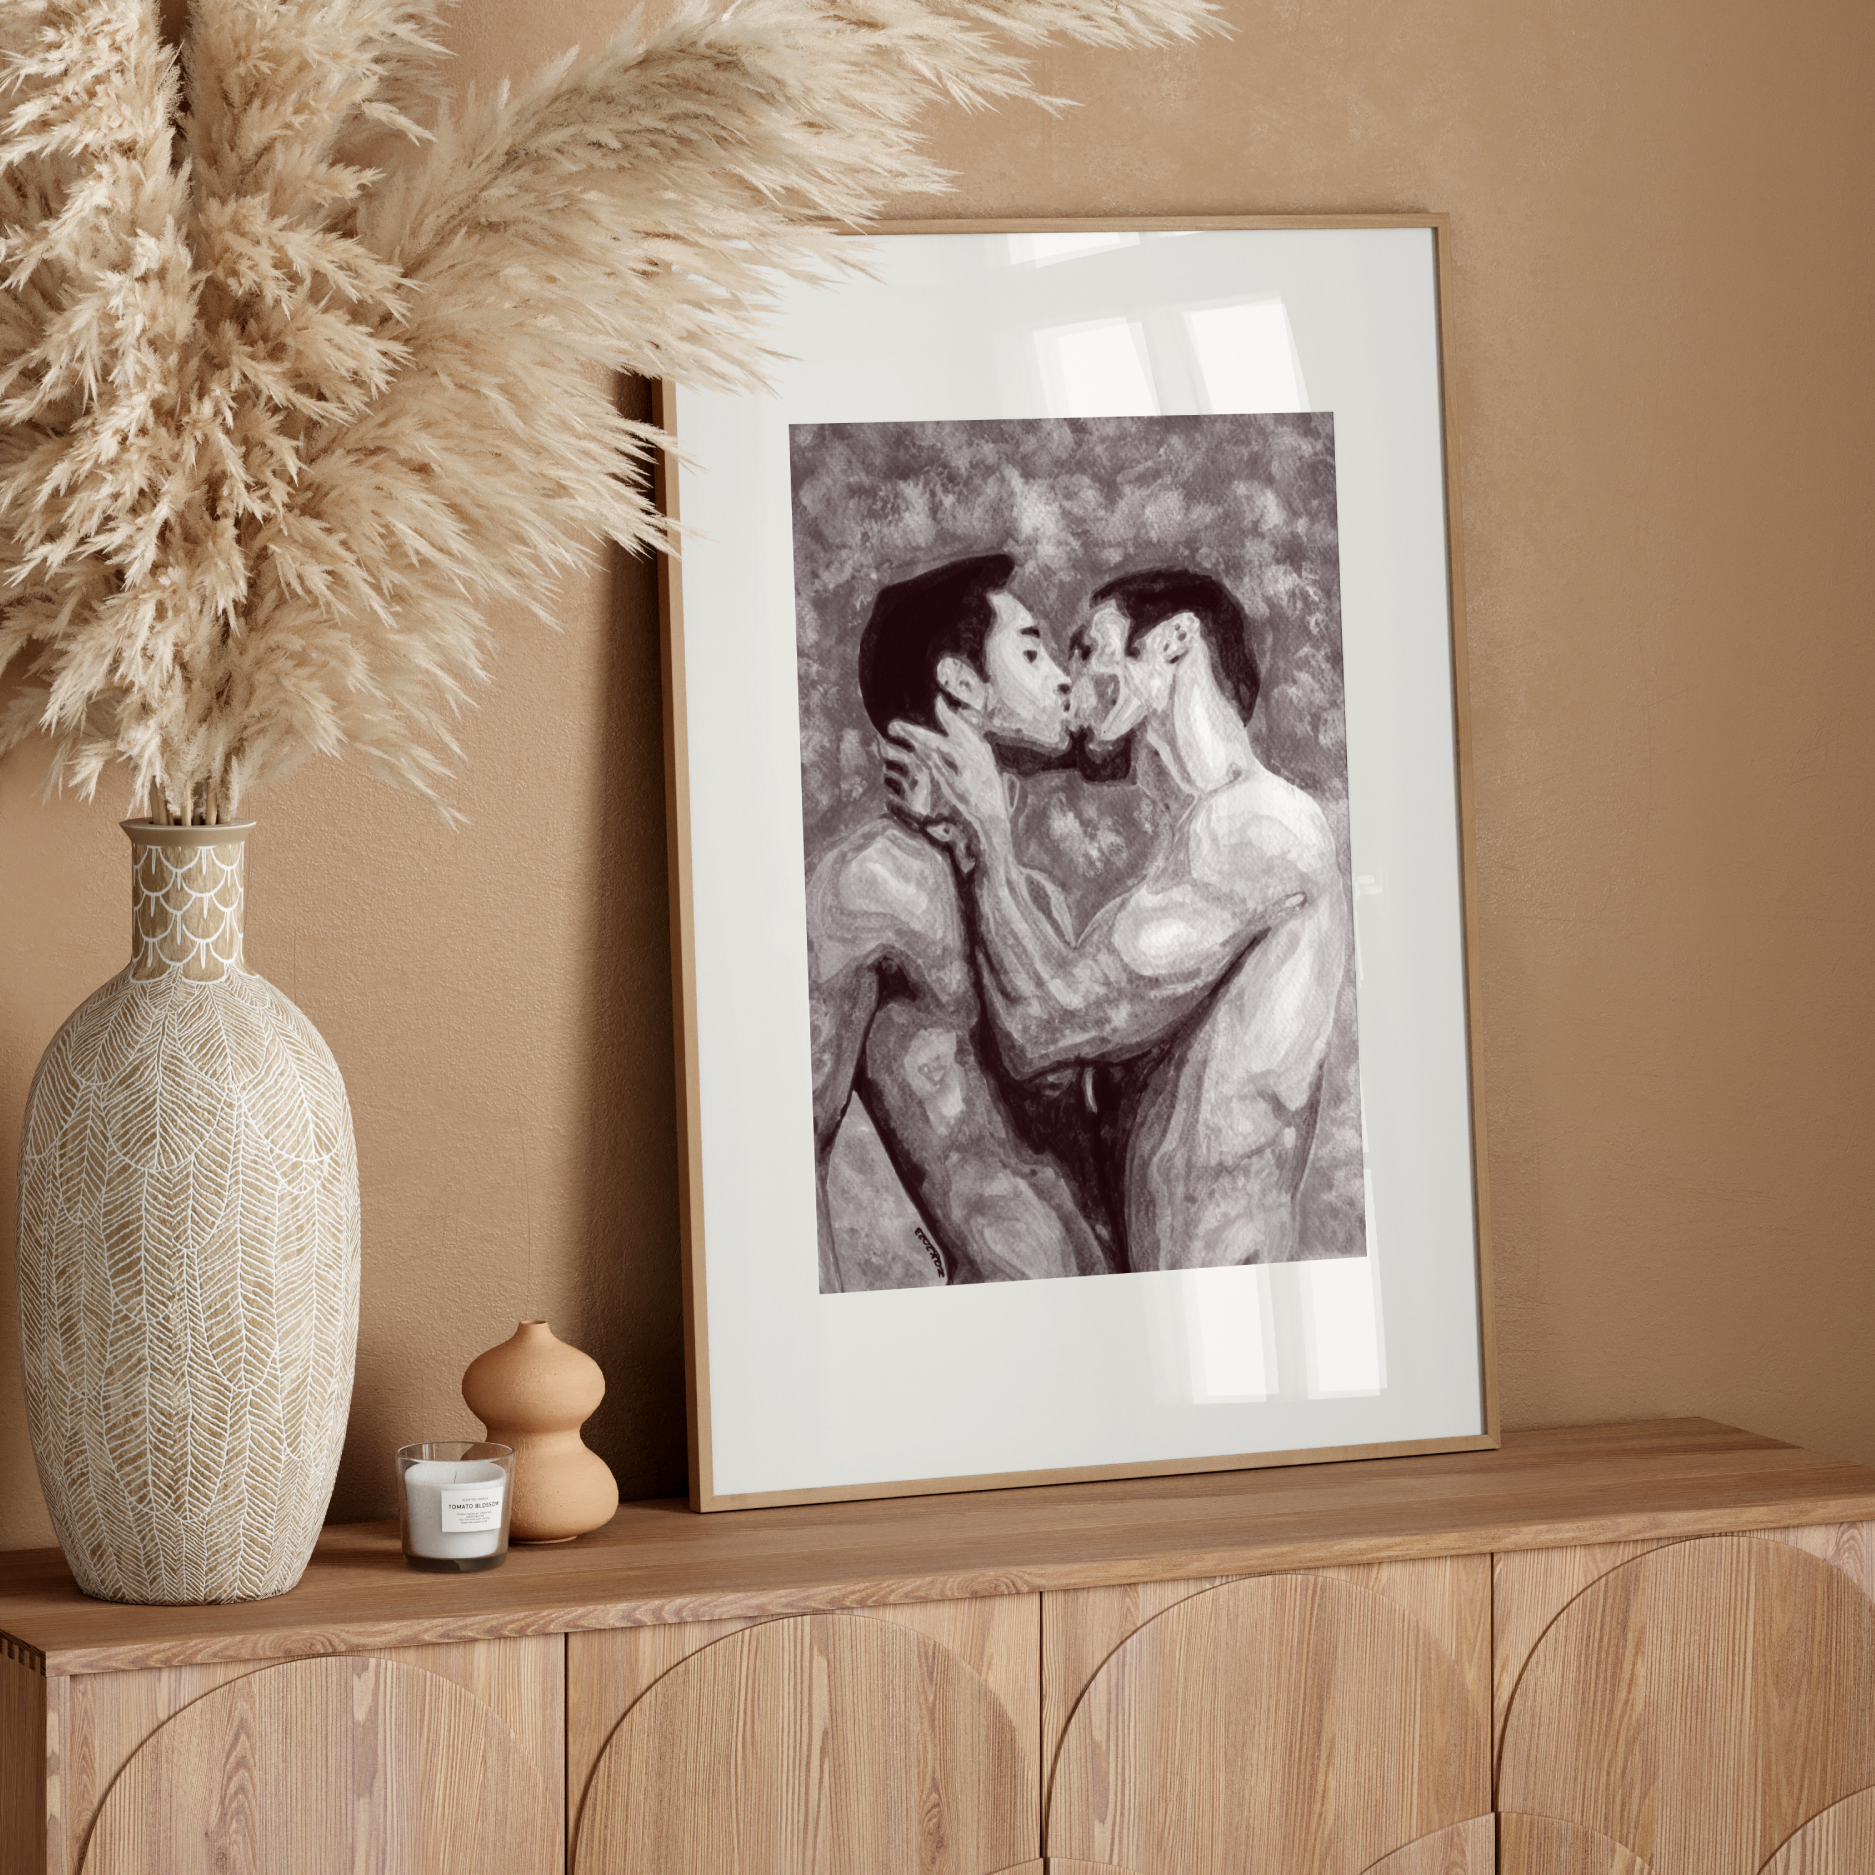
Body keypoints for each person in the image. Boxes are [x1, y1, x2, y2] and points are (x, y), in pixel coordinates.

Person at [894, 566, 1349, 1270]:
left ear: (1171, 642)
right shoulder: (1189, 859)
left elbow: (1040, 1027)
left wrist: (988, 831)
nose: (1067, 681)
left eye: (1085, 648)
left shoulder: (1260, 827)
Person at [807, 552, 1110, 1288]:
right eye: (1031, 652)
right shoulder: (867, 879)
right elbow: (790, 1141)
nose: (1061, 678)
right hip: (988, 1332)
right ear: (961, 683)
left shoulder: (1026, 896)